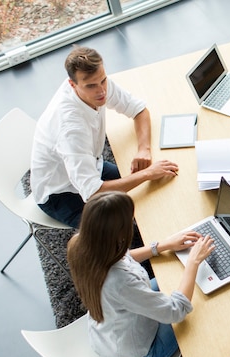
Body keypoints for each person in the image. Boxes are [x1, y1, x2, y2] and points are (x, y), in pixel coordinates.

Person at [31, 45, 179, 228]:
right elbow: (92, 192)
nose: (101, 91)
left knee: (150, 188)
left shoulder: (97, 85)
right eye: (91, 85)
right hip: (59, 193)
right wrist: (147, 173)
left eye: (103, 80)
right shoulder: (70, 129)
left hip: (90, 164)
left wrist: (144, 149)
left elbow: (139, 110)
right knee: (114, 233)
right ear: (72, 84)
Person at [67, 191, 214, 357]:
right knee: (203, 305)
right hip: (140, 356)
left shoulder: (80, 244)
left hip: (108, 335)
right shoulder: (121, 282)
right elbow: (176, 311)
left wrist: (162, 246)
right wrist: (194, 262)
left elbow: (123, 258)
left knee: (180, 279)